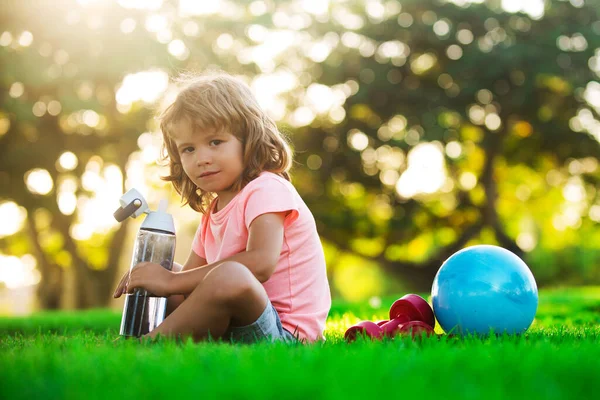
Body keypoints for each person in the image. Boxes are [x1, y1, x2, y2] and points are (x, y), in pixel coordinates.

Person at [113, 72, 331, 343]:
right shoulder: (213, 211)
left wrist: (169, 281)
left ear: (249, 139)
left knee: (226, 275)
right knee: (173, 272)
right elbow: (186, 286)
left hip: (286, 335)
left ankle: (147, 346)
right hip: (239, 326)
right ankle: (136, 334)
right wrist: (155, 277)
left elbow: (261, 263)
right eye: (188, 149)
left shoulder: (266, 188)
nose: (202, 158)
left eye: (215, 142)